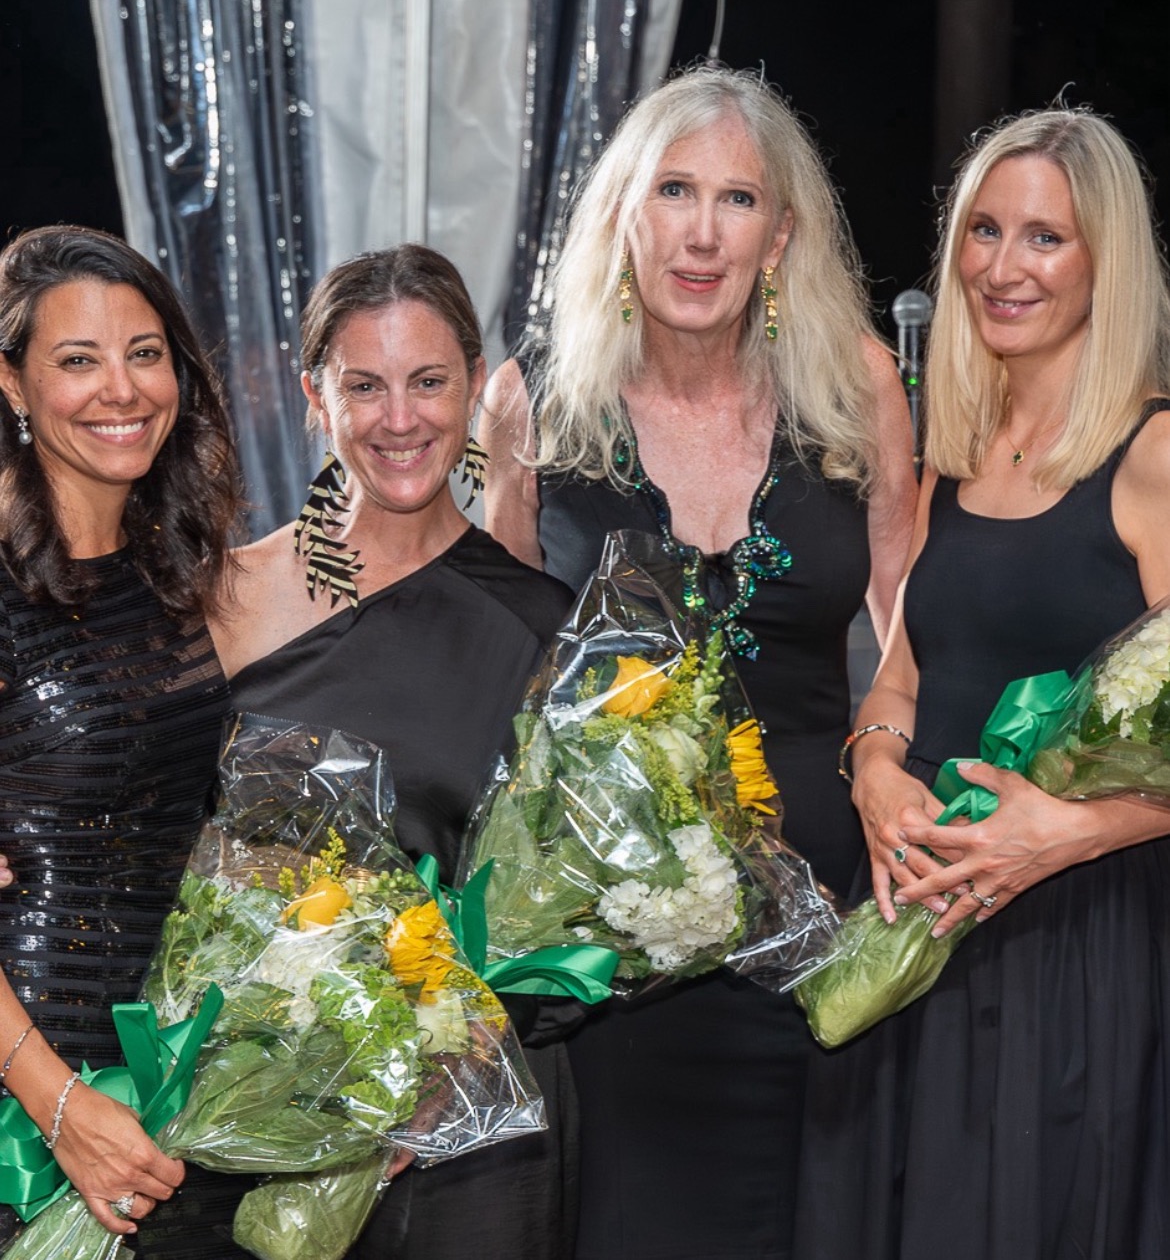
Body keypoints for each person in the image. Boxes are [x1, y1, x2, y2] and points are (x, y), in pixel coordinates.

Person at [482, 65, 917, 1259]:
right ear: (625, 208)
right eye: (676, 189)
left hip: (835, 934)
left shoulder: (857, 391)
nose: (702, 232)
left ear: (779, 236)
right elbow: (497, 673)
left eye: (738, 201)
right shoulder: (537, 401)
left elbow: (906, 632)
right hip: (621, 957)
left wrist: (890, 767)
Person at [794, 108, 1170, 1260]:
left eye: (1046, 239)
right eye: (986, 230)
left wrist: (1066, 832)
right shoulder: (959, 454)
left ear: (1107, 262)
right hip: (915, 929)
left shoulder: (1153, 454)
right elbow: (902, 674)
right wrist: (873, 771)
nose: (1004, 267)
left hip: (1074, 948)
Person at [210, 244, 578, 1260]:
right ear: (314, 400)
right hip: (258, 1119)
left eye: (428, 381)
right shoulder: (229, 597)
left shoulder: (541, 624)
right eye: (362, 386)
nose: (400, 418)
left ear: (474, 384)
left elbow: (565, 911)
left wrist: (444, 1064)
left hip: (465, 1132)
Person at [0, 225, 241, 1249]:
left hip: (164, 1102)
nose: (122, 389)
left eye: (145, 353)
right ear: (11, 386)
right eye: (76, 360)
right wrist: (58, 1110)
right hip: (25, 1119)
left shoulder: (175, 563)